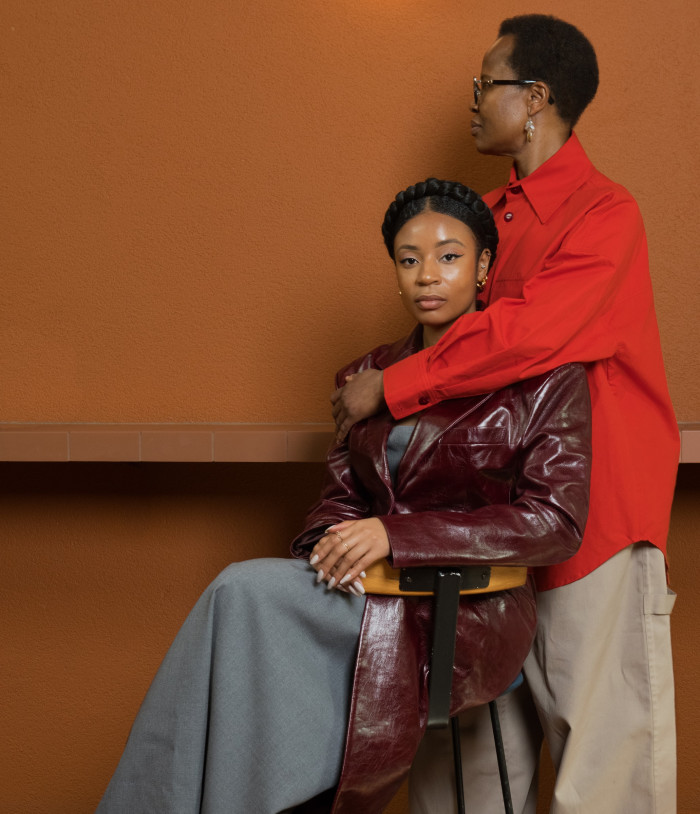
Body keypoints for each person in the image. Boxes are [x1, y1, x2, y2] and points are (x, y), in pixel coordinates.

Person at [96, 179, 591, 814]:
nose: (427, 276)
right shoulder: (366, 376)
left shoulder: (544, 378)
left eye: (448, 256)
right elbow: (337, 499)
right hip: (366, 590)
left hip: (468, 605)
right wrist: (332, 547)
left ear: (484, 265)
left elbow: (554, 521)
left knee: (243, 591)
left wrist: (396, 537)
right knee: (239, 602)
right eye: (409, 260)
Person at [331, 15, 679, 814]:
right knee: (468, 775)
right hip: (484, 528)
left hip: (595, 527)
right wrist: (374, 380)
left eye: (487, 84)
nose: (474, 101)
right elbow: (453, 339)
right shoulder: (482, 220)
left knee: (606, 773)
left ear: (536, 99)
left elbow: (528, 336)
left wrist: (389, 386)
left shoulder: (604, 213)